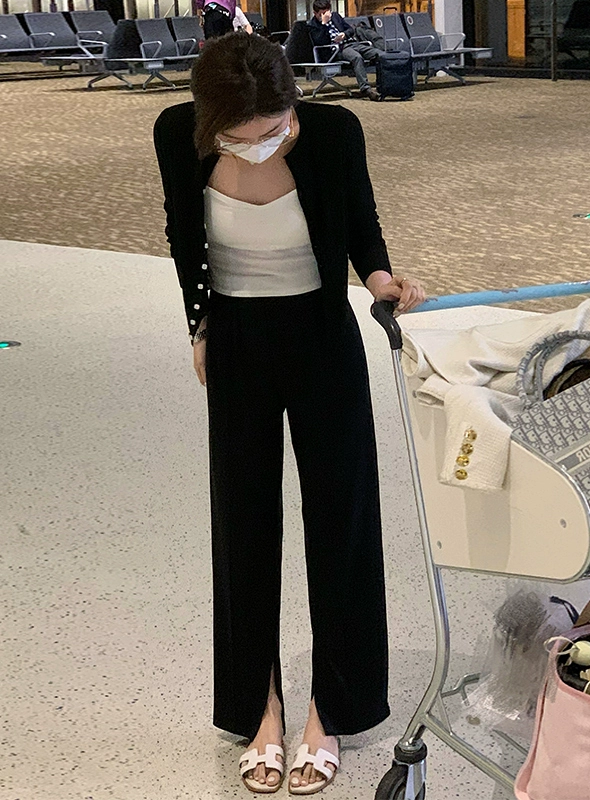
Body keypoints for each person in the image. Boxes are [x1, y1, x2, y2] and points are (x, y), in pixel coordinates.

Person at [153, 32, 425, 796]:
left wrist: (381, 280)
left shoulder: (335, 131)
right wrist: (200, 324)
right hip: (237, 339)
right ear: (210, 123)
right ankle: (259, 710)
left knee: (343, 518)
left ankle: (331, 709)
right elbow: (183, 231)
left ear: (293, 104)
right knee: (242, 524)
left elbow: (361, 222)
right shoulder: (176, 132)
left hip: (320, 335)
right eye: (240, 138)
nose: (262, 146)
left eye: (276, 129)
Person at [308, 0, 382, 100]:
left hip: (351, 43)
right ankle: (366, 89)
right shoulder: (312, 25)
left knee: (379, 54)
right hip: (336, 50)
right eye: (322, 13)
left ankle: (383, 85)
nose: (326, 15)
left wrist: (344, 34)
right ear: (315, 13)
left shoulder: (335, 16)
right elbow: (320, 42)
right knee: (356, 57)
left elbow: (351, 30)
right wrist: (324, 24)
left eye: (327, 12)